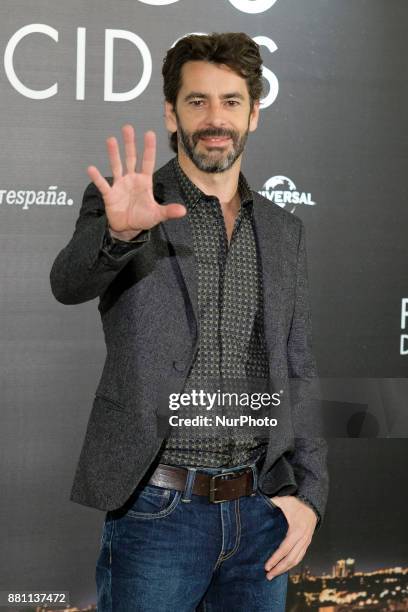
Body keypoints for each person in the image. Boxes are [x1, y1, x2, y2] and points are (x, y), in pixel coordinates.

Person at [50, 32, 329, 612]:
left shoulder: (283, 231)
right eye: (196, 101)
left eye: (231, 101)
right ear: (171, 112)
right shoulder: (130, 202)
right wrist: (120, 235)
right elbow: (67, 283)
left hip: (261, 513)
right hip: (157, 512)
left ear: (254, 112)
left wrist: (311, 496)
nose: (214, 119)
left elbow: (298, 368)